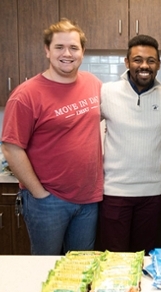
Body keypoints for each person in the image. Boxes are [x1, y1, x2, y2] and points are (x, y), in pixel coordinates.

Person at [1, 19, 103, 255]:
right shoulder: (26, 95)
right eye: (59, 47)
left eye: (74, 48)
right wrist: (39, 193)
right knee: (45, 268)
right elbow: (11, 148)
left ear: (82, 52)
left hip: (89, 199)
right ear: (47, 50)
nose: (67, 54)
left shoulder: (93, 83)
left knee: (80, 269)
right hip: (48, 201)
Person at [99, 35, 161, 254]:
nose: (144, 65)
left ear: (158, 64)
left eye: (151, 60)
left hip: (150, 194)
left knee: (144, 257)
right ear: (127, 62)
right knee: (115, 259)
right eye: (138, 59)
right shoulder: (107, 92)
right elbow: (81, 129)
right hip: (115, 193)